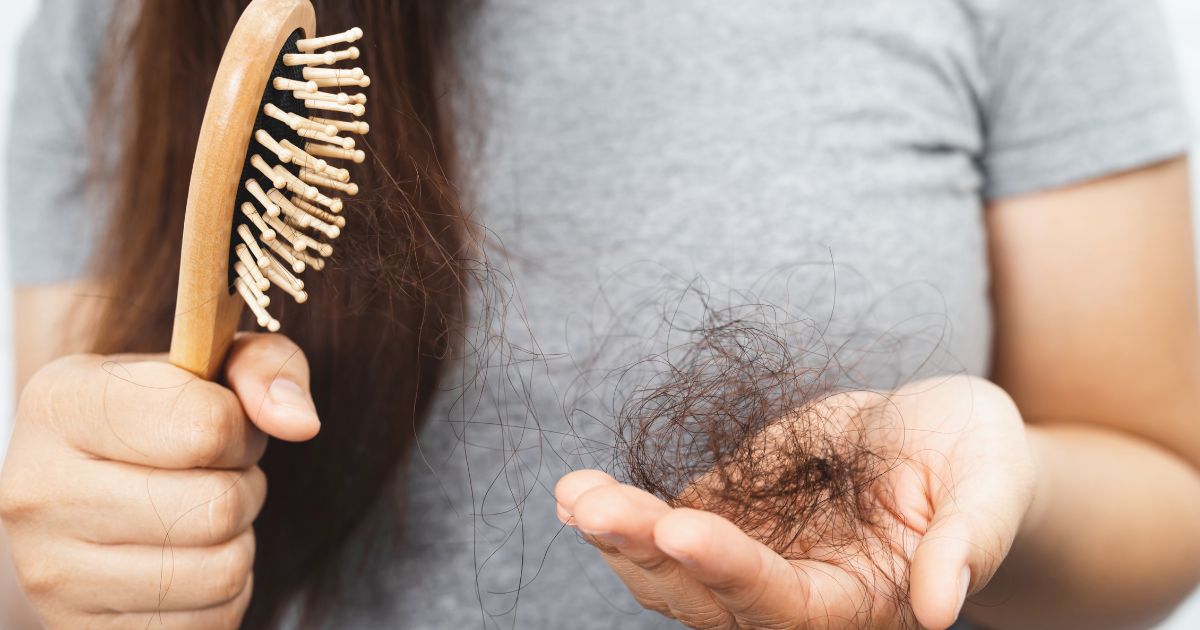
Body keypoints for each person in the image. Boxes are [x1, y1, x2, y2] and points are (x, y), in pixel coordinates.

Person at [3, 0, 1200, 628]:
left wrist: (995, 501)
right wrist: (52, 564)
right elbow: (70, 557)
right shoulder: (113, 25)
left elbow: (1168, 495)